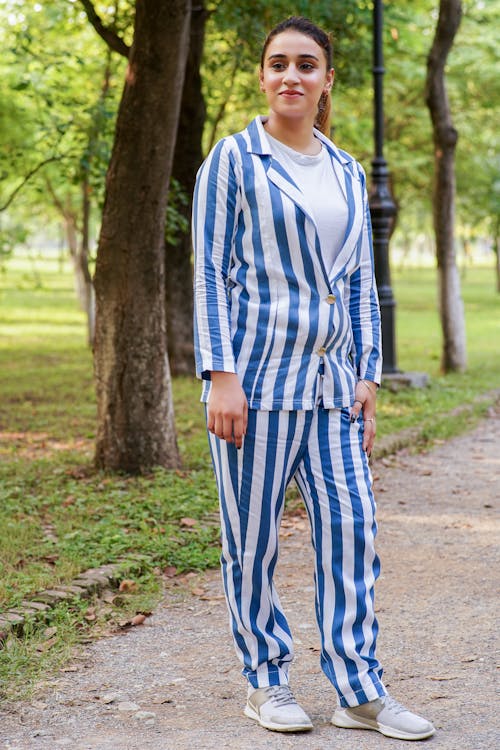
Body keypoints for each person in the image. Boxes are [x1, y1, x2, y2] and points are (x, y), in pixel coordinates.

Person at [192, 16, 435, 741]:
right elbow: (207, 271)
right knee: (253, 540)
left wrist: (369, 372)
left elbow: (359, 279)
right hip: (254, 386)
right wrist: (222, 374)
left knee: (350, 530)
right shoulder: (234, 161)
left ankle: (358, 690)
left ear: (328, 78)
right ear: (263, 77)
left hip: (332, 389)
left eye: (307, 64)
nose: (291, 76)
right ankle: (265, 683)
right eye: (278, 64)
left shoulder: (346, 169)